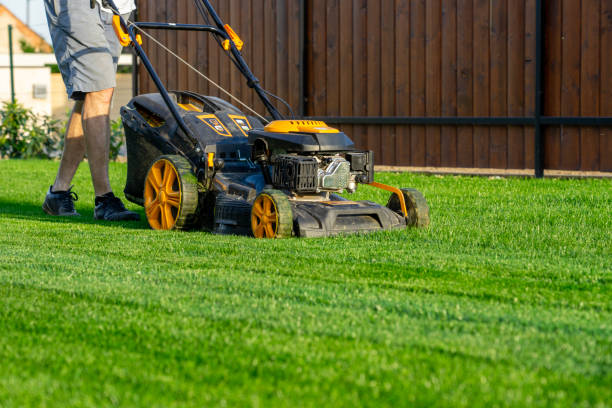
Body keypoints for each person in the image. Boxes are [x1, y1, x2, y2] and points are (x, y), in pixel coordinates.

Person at [42, 0, 139, 221]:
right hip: (76, 4)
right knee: (100, 90)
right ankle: (104, 199)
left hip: (119, 6)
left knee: (92, 93)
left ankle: (58, 193)